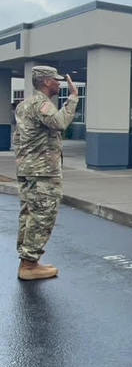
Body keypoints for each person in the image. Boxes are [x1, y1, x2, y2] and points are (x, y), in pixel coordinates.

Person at [13, 65, 79, 280]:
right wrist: (73, 98)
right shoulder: (42, 104)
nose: (58, 83)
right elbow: (60, 123)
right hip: (42, 172)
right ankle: (29, 265)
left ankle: (28, 259)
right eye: (55, 80)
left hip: (28, 169)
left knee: (29, 214)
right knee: (42, 215)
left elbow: (17, 138)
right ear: (44, 81)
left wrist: (24, 161)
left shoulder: (24, 105)